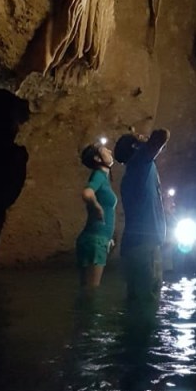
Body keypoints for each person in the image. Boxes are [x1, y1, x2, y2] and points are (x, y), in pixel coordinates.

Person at [113, 128, 169, 302]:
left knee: (137, 303)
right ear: (135, 147)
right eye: (139, 138)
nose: (143, 137)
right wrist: (144, 141)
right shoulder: (140, 162)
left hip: (136, 248)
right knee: (147, 304)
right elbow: (162, 134)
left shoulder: (134, 172)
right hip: (144, 248)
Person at [76, 141, 117, 288]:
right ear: (97, 158)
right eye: (105, 150)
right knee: (92, 292)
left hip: (94, 239)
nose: (110, 152)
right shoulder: (99, 175)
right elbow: (87, 193)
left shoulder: (102, 178)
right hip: (96, 241)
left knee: (85, 289)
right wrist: (97, 207)